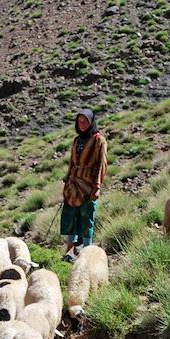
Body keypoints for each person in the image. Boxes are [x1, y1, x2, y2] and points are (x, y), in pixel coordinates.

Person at [60, 108, 108, 263]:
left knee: (87, 218)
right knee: (71, 217)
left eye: (85, 121)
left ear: (91, 121)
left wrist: (97, 186)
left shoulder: (98, 140)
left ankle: (87, 254)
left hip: (88, 185)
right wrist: (67, 179)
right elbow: (72, 163)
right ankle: (70, 251)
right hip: (73, 185)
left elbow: (102, 163)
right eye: (79, 121)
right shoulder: (77, 140)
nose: (82, 124)